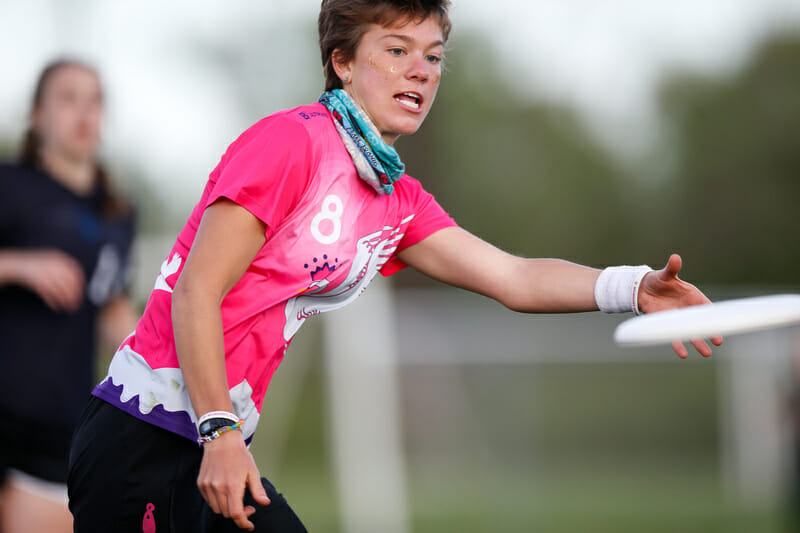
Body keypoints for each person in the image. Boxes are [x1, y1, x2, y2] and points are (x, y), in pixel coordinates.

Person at [67, 1, 723, 531]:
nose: (422, 71)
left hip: (215, 448)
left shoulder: (395, 199)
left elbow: (513, 276)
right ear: (343, 62)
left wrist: (631, 286)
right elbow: (195, 292)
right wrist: (218, 429)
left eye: (434, 56)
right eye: (398, 50)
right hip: (144, 442)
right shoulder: (292, 142)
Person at [0, 59, 138, 532]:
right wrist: (20, 265)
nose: (83, 112)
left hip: (60, 423)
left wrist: (167, 378)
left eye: (94, 100)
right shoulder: (10, 186)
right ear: (39, 117)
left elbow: (112, 308)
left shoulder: (118, 213)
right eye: (67, 98)